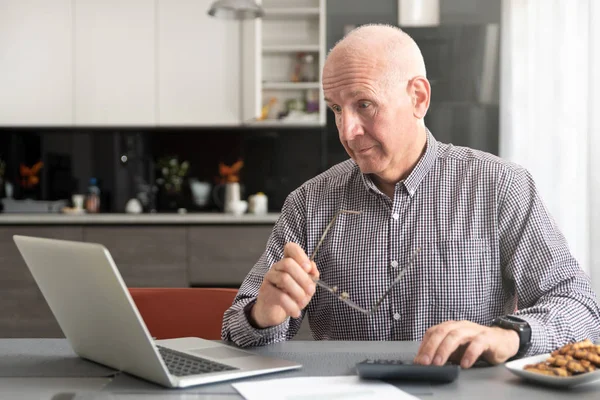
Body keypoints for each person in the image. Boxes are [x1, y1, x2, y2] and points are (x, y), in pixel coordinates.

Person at [221, 24, 600, 368]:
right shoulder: (307, 204)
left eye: (364, 105)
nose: (347, 130)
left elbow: (582, 310)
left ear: (418, 97)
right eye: (337, 109)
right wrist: (261, 315)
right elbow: (237, 334)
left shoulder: (500, 185)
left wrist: (510, 335)